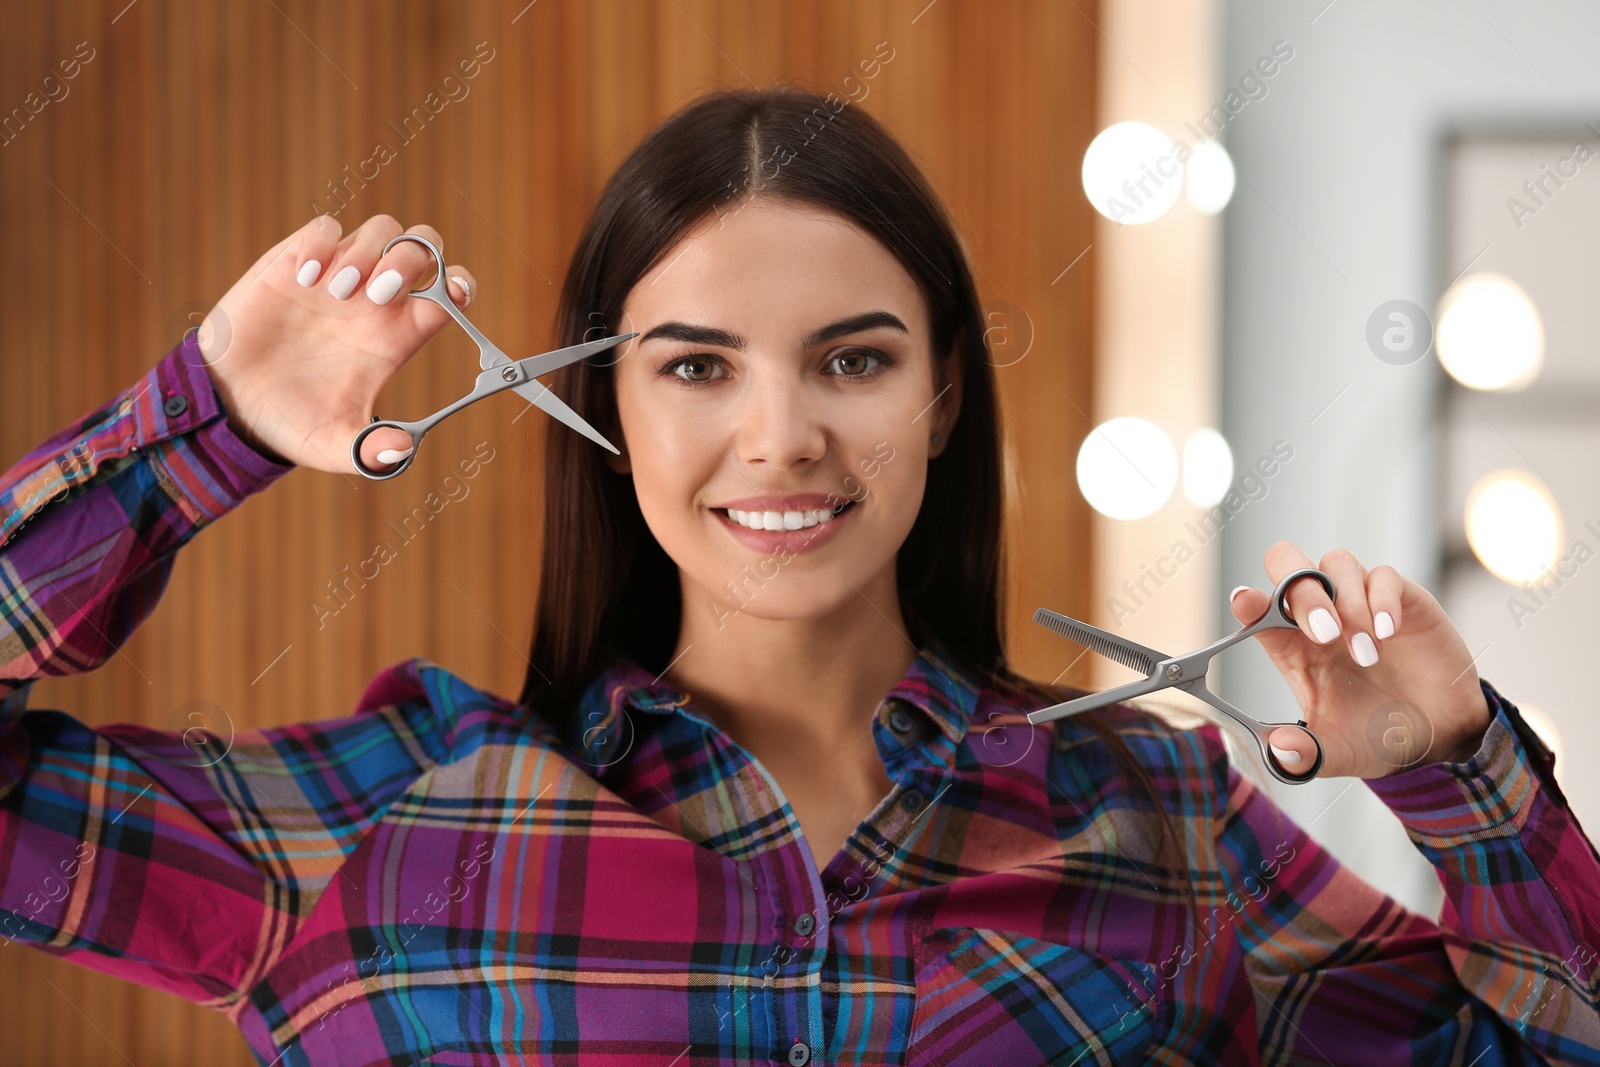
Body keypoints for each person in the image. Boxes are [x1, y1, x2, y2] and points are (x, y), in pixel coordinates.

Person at [1, 85, 1596, 1067]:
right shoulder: (378, 822)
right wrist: (202, 431)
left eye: (852, 360)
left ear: (942, 393)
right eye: (696, 368)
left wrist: (1458, 777)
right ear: (606, 403)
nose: (782, 438)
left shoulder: (1161, 822)